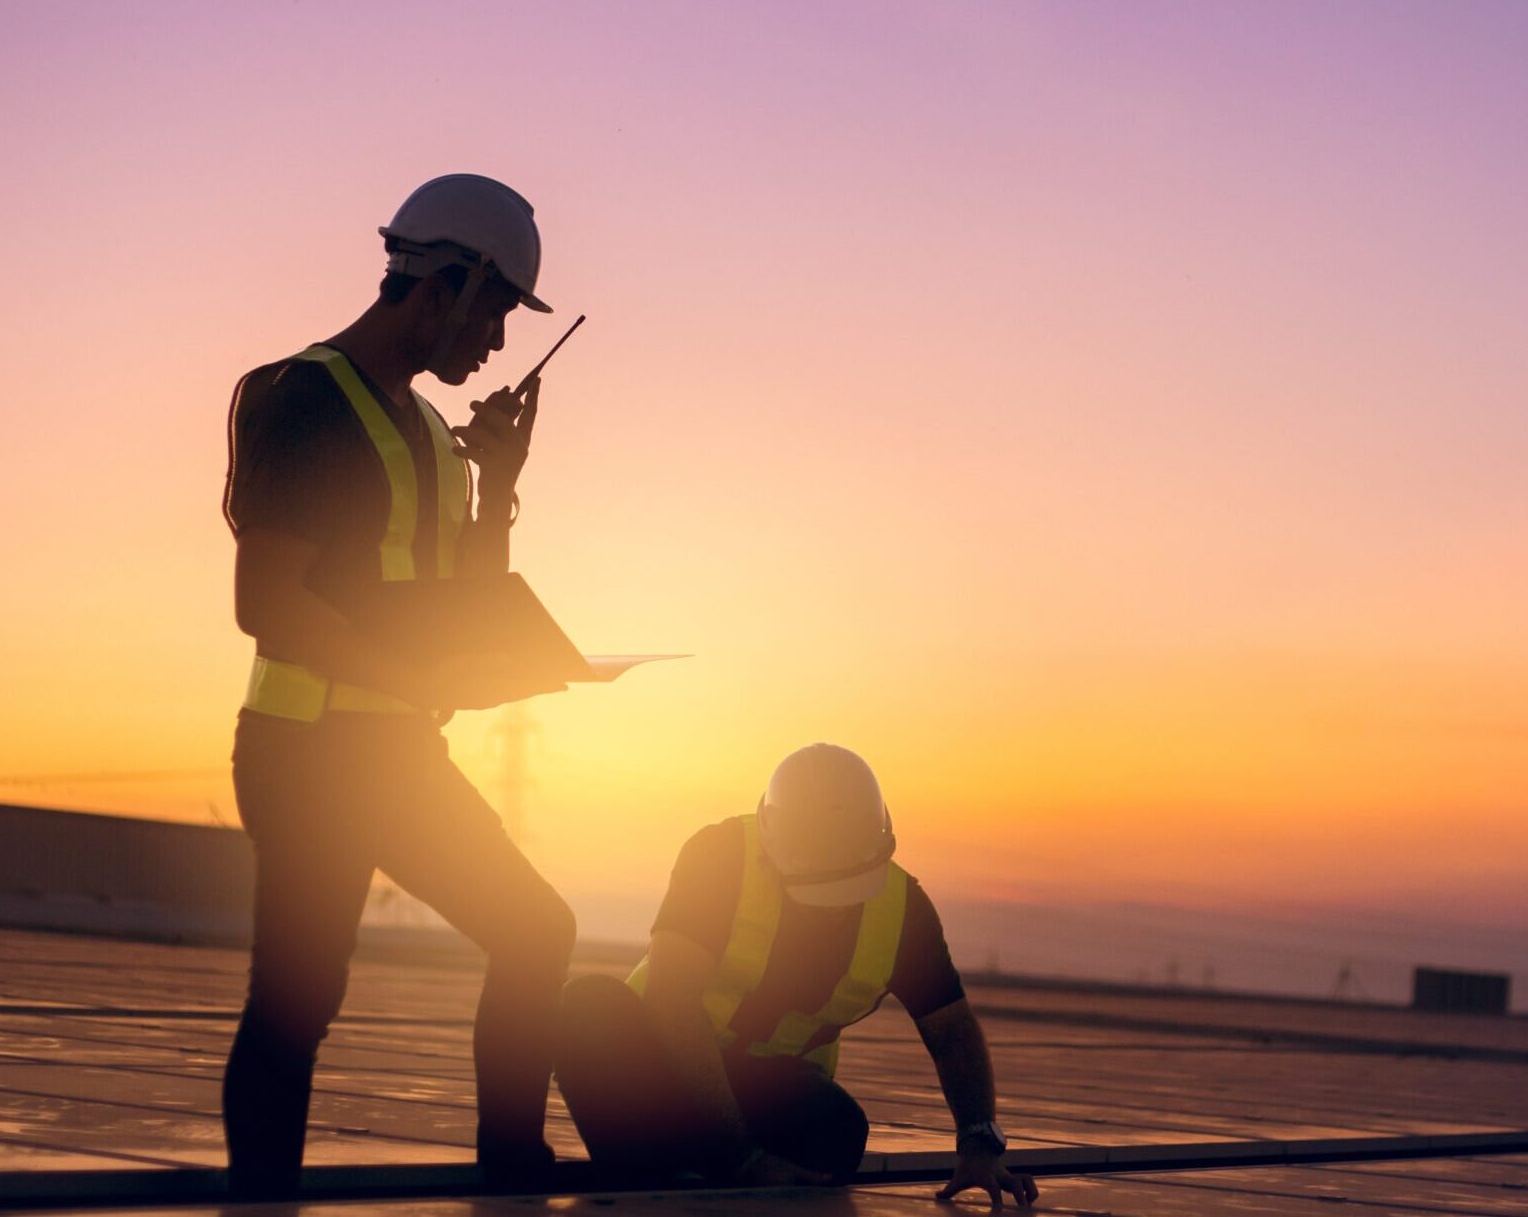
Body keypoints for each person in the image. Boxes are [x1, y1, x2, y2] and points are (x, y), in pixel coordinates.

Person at [220, 173, 576, 1197]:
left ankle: (508, 1168)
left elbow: (463, 596)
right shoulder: (298, 396)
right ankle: (262, 1200)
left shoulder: (430, 435)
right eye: (497, 310)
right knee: (297, 999)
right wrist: (417, 676)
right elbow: (268, 604)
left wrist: (499, 483)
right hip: (308, 753)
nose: (498, 341)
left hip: (397, 752)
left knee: (535, 929)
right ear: (447, 285)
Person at [556, 744, 1040, 1207]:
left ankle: (673, 1151)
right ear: (772, 850)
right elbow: (671, 1002)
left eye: (852, 888)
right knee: (587, 1006)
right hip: (658, 1059)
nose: (836, 909)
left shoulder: (903, 911)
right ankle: (646, 1167)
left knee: (838, 1133)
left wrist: (980, 1143)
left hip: (765, 1083)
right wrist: (740, 1159)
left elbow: (951, 1031)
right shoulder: (721, 857)